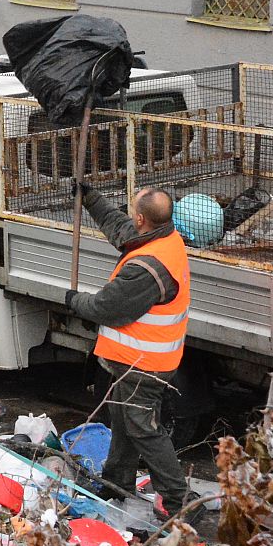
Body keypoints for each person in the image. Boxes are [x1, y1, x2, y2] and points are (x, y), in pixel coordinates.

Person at [64, 183, 194, 521]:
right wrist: (91, 199)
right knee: (124, 418)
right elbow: (120, 227)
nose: (128, 214)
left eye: (131, 208)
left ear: (141, 218)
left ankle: (179, 500)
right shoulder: (163, 237)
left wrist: (73, 301)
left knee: (142, 426)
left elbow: (109, 308)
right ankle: (117, 480)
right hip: (137, 361)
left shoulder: (148, 268)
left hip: (145, 364)